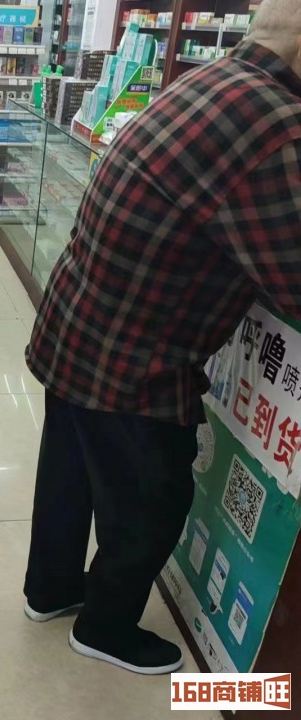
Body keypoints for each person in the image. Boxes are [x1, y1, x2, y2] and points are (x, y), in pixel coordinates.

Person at [23, 0, 301, 676]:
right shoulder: (276, 126)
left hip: (78, 320)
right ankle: (106, 628)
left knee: (69, 476)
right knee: (151, 499)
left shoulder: (210, 80)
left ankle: (50, 590)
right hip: (136, 358)